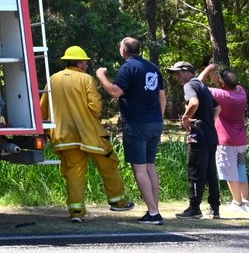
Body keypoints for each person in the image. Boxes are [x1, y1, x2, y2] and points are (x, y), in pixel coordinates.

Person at [46, 46, 133, 222]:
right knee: (109, 164)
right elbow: (95, 107)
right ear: (78, 63)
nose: (87, 65)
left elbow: (43, 105)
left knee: (74, 172)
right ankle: (118, 202)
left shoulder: (53, 79)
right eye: (85, 62)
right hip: (90, 134)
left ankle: (76, 213)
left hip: (64, 135)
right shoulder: (86, 79)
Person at [97, 37, 166, 224]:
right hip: (155, 123)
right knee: (150, 166)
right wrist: (158, 118)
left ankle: (153, 213)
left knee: (140, 168)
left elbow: (115, 92)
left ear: (123, 51)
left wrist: (101, 75)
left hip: (137, 124)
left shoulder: (128, 68)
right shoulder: (152, 67)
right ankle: (155, 210)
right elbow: (162, 97)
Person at [169, 61, 220, 219]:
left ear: (187, 72)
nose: (176, 77)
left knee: (196, 171)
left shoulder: (190, 85)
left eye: (178, 73)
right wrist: (207, 121)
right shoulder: (202, 86)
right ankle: (215, 208)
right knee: (211, 172)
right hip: (211, 135)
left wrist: (186, 118)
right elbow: (218, 108)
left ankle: (194, 208)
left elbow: (194, 102)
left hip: (198, 136)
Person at [202, 62, 249, 211]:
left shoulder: (222, 95)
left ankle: (237, 203)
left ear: (223, 83)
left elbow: (197, 84)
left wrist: (208, 70)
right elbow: (223, 85)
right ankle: (246, 200)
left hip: (226, 142)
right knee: (241, 169)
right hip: (241, 141)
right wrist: (215, 75)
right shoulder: (240, 92)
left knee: (230, 172)